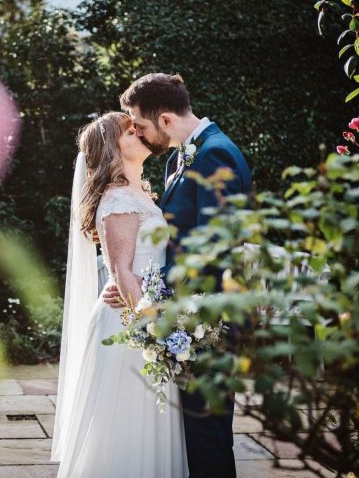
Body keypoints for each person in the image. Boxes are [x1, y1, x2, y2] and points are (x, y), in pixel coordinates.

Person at [107, 73, 253, 478]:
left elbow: (214, 248)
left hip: (211, 319)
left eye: (140, 124)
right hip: (186, 319)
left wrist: (152, 292)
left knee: (208, 439)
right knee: (192, 439)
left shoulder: (216, 155)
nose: (136, 132)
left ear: (166, 120)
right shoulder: (178, 158)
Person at [52, 111, 188, 477]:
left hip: (138, 312)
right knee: (125, 430)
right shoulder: (118, 199)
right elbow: (122, 273)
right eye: (130, 131)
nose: (140, 133)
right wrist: (155, 330)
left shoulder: (137, 192)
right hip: (130, 322)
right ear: (114, 148)